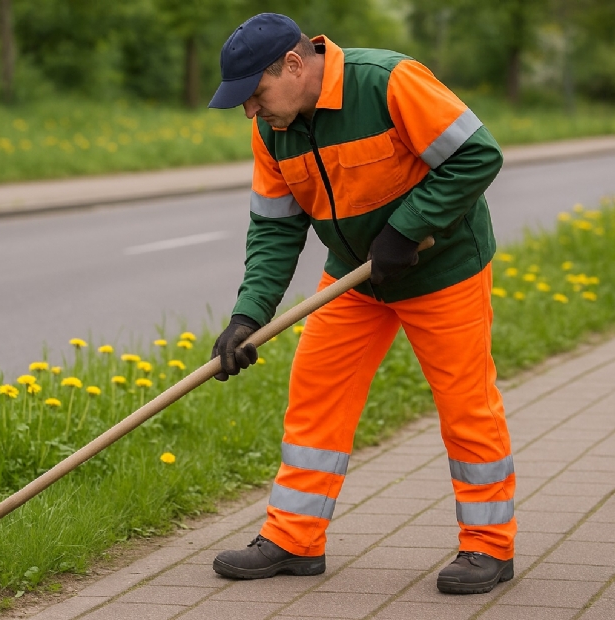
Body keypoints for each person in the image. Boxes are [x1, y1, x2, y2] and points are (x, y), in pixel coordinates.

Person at [207, 13, 515, 595]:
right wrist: (249, 315)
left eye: (255, 95)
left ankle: (488, 547)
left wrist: (406, 228)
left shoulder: (389, 82)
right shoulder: (275, 129)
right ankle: (294, 541)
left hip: (442, 269)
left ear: (294, 65)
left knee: (464, 402)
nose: (252, 111)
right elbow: (274, 229)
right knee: (316, 393)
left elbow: (479, 154)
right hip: (354, 277)